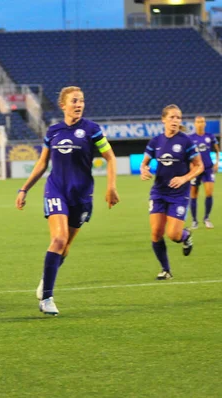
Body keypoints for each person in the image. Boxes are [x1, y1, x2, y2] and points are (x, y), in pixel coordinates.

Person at [15, 86, 119, 316]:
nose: (79, 104)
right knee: (59, 239)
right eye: (74, 101)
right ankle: (47, 297)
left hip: (81, 195)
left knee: (66, 247)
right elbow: (42, 163)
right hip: (56, 190)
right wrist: (24, 189)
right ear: (63, 105)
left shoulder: (92, 130)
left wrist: (111, 187)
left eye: (81, 100)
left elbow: (110, 158)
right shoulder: (53, 132)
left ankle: (46, 277)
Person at [140, 105, 204, 280]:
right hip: (159, 192)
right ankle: (166, 270)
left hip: (179, 194)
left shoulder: (186, 141)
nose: (175, 121)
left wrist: (184, 178)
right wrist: (144, 170)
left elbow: (199, 166)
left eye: (178, 118)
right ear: (163, 119)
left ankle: (186, 235)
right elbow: (144, 162)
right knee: (156, 233)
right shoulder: (155, 141)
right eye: (172, 117)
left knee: (174, 235)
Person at [188, 116, 219, 229]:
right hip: (196, 169)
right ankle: (194, 221)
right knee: (193, 194)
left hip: (208, 168)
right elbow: (187, 153)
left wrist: (216, 163)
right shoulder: (190, 138)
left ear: (205, 124)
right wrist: (190, 164)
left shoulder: (209, 136)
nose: (200, 124)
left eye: (202, 122)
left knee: (209, 193)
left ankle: (206, 218)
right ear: (195, 124)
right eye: (198, 122)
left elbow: (217, 149)